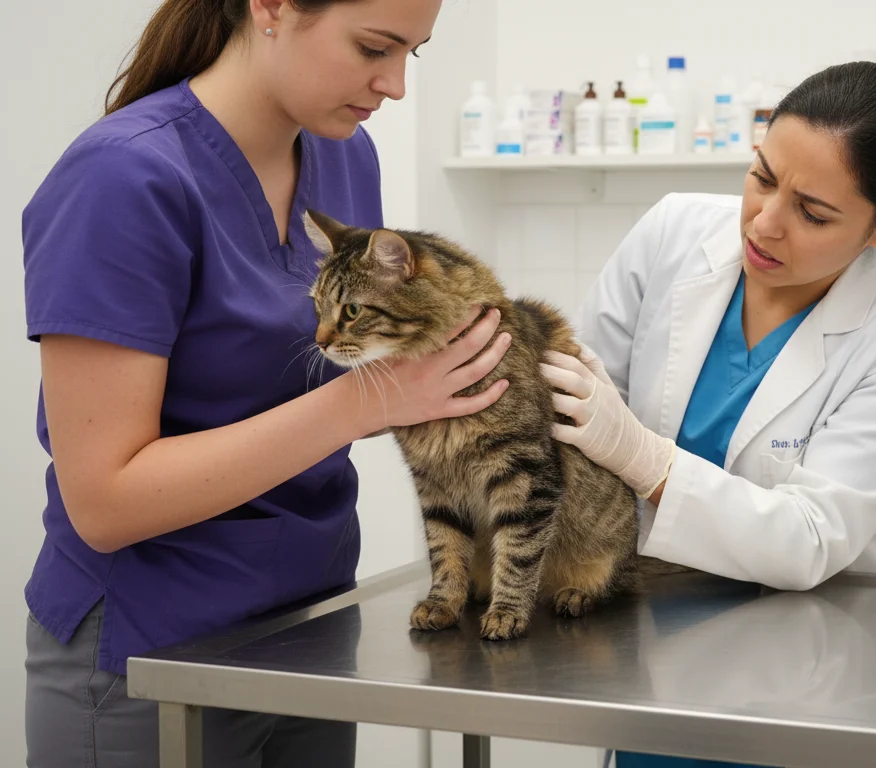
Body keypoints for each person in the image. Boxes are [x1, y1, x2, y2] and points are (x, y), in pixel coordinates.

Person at [21, 0, 510, 765]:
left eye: (411, 54)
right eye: (374, 47)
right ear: (271, 8)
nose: (394, 86)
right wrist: (362, 402)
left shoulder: (345, 155)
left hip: (307, 629)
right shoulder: (122, 179)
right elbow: (105, 503)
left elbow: (362, 361)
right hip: (149, 653)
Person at [542, 61, 876, 768]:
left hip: (808, 668)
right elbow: (575, 399)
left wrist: (643, 457)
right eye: (763, 177)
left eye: (813, 212)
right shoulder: (674, 232)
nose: (765, 224)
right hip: (643, 638)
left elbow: (808, 540)